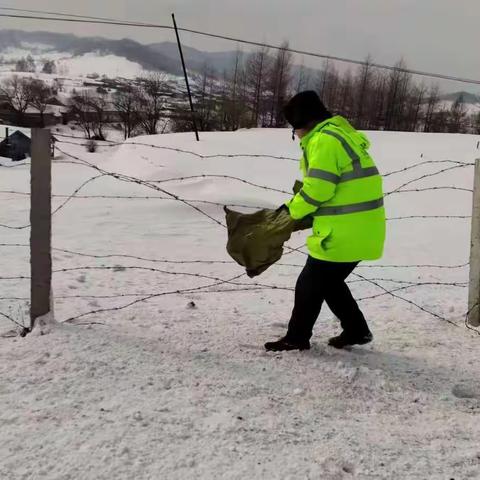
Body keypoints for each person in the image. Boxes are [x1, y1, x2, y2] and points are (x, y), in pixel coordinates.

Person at [265, 91, 386, 351]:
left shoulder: (323, 141)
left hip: (343, 231)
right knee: (328, 282)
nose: (295, 135)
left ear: (302, 124)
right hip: (362, 227)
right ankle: (356, 330)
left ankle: (297, 337)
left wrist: (289, 213)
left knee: (309, 283)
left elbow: (318, 190)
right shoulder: (340, 135)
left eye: (294, 129)